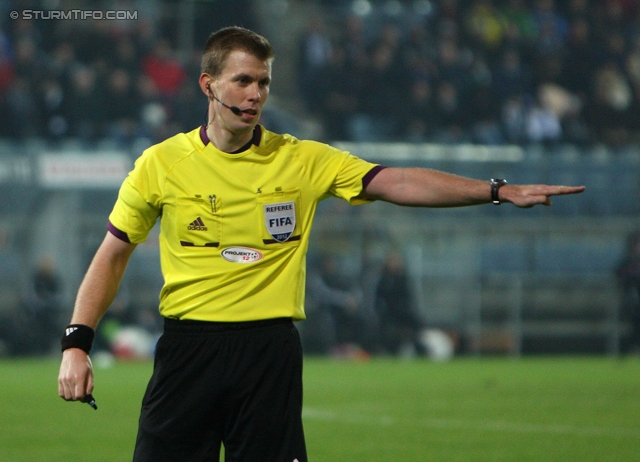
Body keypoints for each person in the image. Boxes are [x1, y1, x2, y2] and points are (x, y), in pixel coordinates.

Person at [57, 26, 585, 461]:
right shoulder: (160, 164)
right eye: (242, 80)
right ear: (208, 85)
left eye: (263, 82)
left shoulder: (302, 158)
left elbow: (396, 182)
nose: (255, 94)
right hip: (188, 350)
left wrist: (496, 191)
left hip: (269, 354)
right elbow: (113, 253)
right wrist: (77, 344)